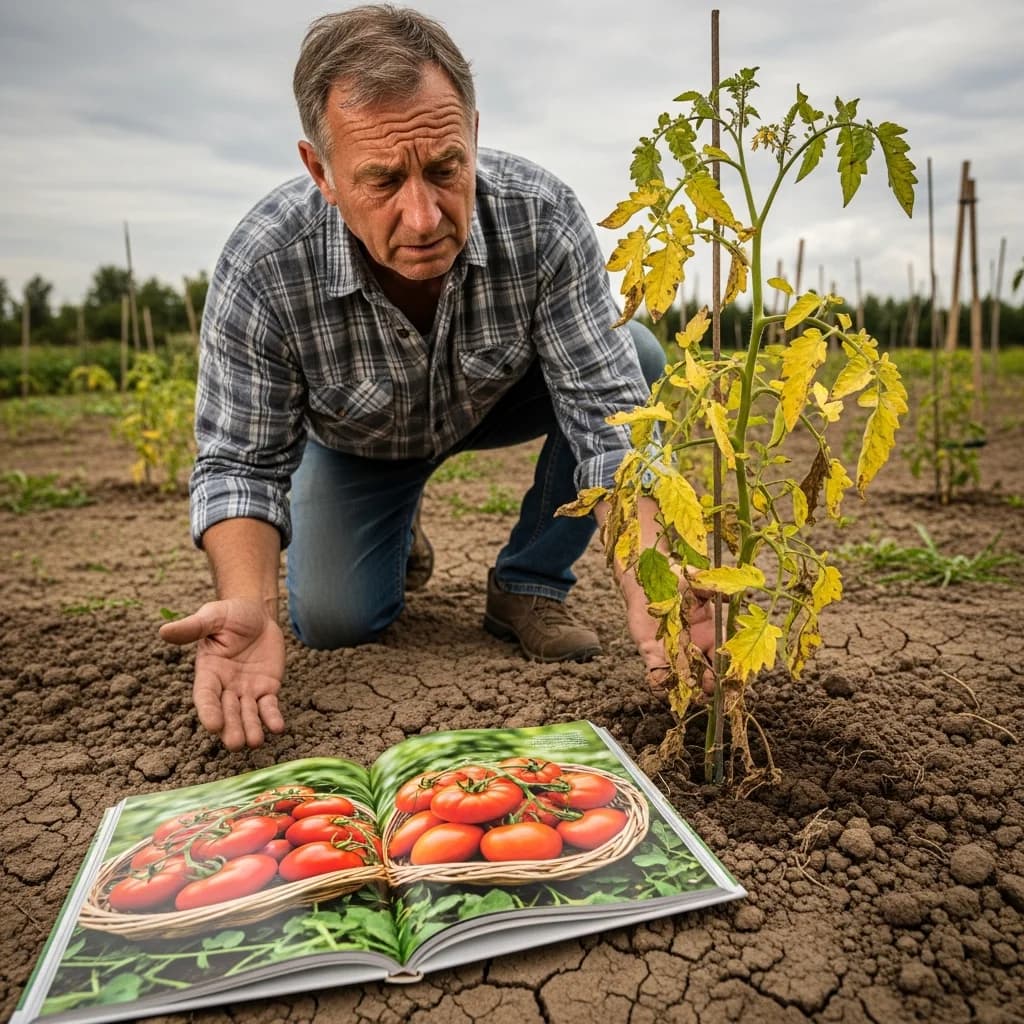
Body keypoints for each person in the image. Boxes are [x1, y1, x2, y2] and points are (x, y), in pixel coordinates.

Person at [160, 4, 714, 751]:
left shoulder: (540, 218)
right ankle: (395, 522)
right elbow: (238, 463)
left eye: (445, 169)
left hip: (495, 400)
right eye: (383, 180)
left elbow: (609, 416)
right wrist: (246, 599)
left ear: (474, 135)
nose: (422, 216)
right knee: (334, 621)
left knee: (637, 356)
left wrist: (654, 576)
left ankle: (527, 582)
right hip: (361, 442)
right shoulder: (265, 263)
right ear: (321, 172)